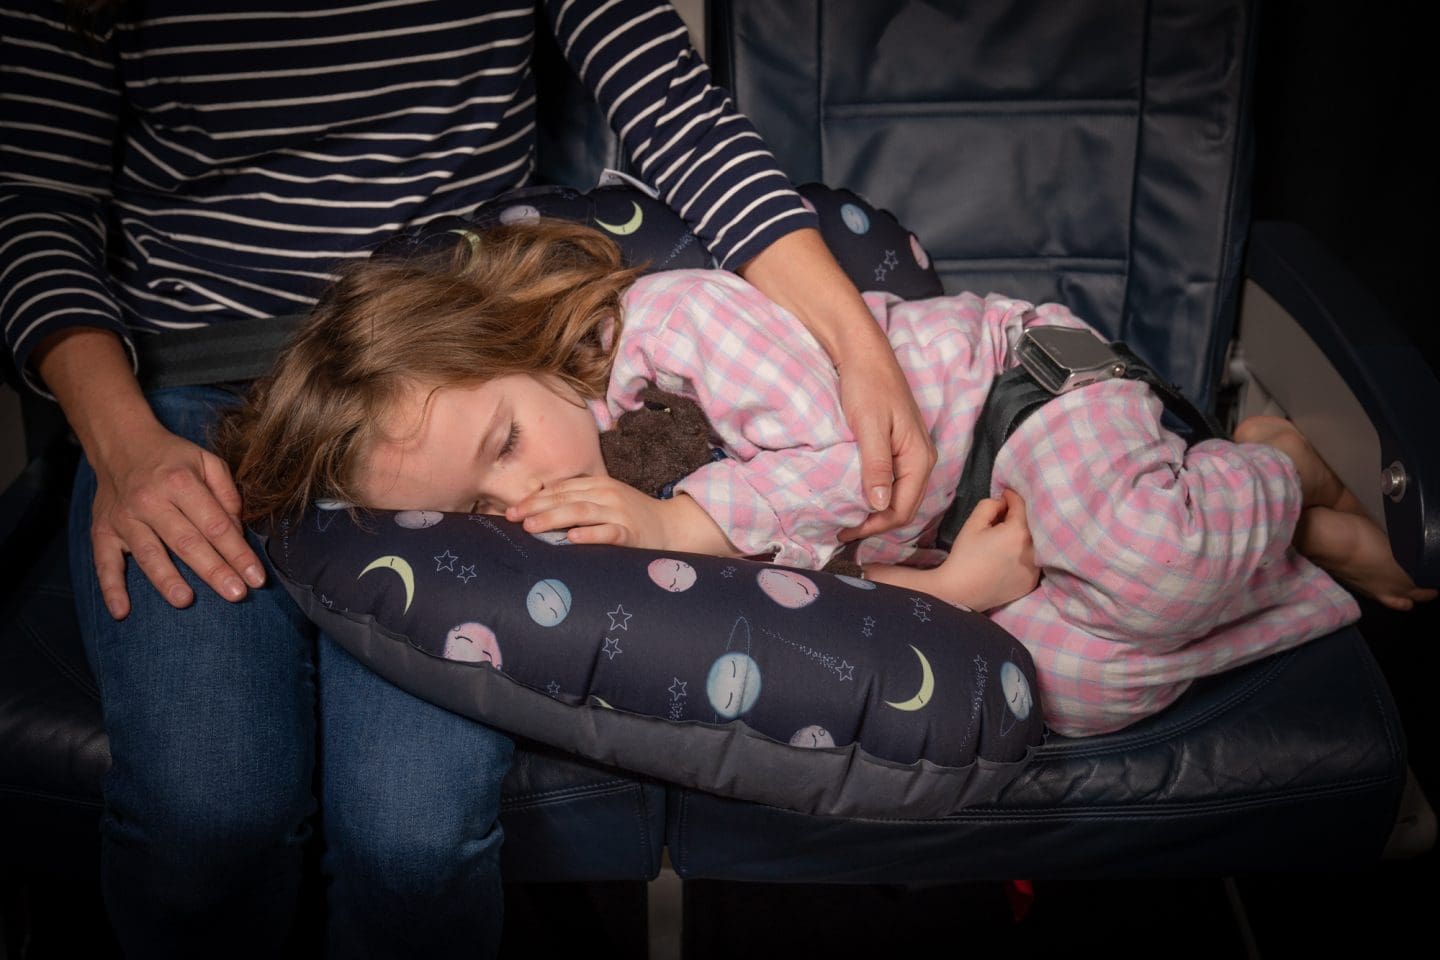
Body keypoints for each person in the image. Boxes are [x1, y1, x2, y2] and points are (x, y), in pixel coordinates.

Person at [0, 1, 936, 955]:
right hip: (185, 388)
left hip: (446, 372)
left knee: (414, 839)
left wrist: (856, 345)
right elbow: (32, 202)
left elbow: (671, 104)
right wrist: (121, 442)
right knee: (209, 818)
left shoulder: (545, 407)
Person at [217, 219, 1436, 741]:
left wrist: (680, 520)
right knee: (1069, 686)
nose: (518, 501)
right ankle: (1304, 564)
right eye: (479, 509)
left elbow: (851, 465)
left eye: (503, 447)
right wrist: (954, 596)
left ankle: (1267, 468)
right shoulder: (598, 528)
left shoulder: (671, 328)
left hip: (1018, 405)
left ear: (508, 349)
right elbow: (808, 612)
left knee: (1145, 561)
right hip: (958, 533)